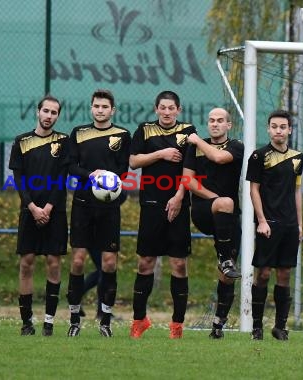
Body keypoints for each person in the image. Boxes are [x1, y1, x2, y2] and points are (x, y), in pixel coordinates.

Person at [129, 90, 196, 339]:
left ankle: (177, 325)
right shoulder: (145, 129)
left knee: (178, 264)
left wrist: (179, 196)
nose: (167, 112)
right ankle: (138, 321)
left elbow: (190, 169)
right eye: (163, 108)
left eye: (171, 108)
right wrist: (161, 154)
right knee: (145, 262)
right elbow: (134, 162)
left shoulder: (189, 131)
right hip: (150, 203)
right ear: (156, 109)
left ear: (178, 110)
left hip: (178, 203)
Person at [66, 89, 131, 337]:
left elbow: (124, 169)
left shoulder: (122, 135)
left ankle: (105, 319)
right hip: (83, 204)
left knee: (109, 263)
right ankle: (74, 319)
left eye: (105, 106)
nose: (100, 110)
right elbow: (71, 166)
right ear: (91, 108)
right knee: (78, 260)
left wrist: (109, 180)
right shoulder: (79, 133)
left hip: (109, 207)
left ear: (112, 110)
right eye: (96, 106)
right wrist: (90, 175)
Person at [8, 95, 69, 336]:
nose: (49, 116)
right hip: (29, 211)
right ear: (38, 112)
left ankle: (49, 322)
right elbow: (19, 179)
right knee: (27, 263)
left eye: (54, 113)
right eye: (46, 111)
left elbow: (62, 178)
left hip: (55, 211)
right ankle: (26, 322)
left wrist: (49, 208)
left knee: (54, 263)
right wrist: (33, 207)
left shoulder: (64, 141)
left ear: (57, 116)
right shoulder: (21, 141)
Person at [184, 107, 243, 339]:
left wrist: (197, 139)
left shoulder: (236, 146)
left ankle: (218, 326)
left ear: (229, 125)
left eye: (220, 121)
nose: (215, 124)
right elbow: (187, 180)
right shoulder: (194, 148)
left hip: (228, 217)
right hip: (202, 209)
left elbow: (218, 157)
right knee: (225, 202)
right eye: (211, 120)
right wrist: (215, 198)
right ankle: (224, 257)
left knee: (227, 276)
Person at [246, 109, 303, 341]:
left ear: (289, 130)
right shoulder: (259, 156)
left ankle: (280, 327)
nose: (278, 130)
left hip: (290, 224)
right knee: (264, 273)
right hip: (268, 223)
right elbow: (254, 189)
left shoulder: (297, 157)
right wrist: (261, 220)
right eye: (274, 126)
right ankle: (256, 327)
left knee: (284, 273)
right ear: (268, 129)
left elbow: (297, 191)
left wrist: (299, 224)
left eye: (283, 127)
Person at [81, 191, 128, 320]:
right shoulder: (89, 182)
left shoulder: (113, 180)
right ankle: (101, 311)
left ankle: (77, 296)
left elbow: (123, 194)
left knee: (103, 270)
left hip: (106, 227)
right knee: (103, 270)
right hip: (93, 230)